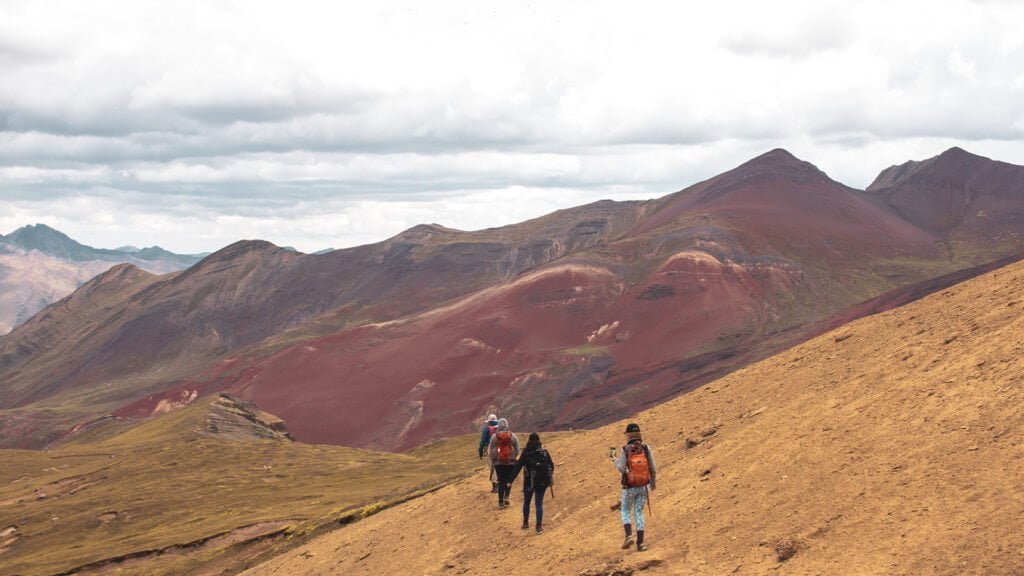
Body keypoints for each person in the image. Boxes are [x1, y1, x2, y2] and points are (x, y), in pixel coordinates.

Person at [613, 422, 656, 552]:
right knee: (639, 512)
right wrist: (653, 483)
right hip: (644, 486)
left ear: (628, 435)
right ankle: (641, 544)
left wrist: (614, 461)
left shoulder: (625, 449)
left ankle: (628, 535)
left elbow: (621, 468)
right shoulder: (645, 448)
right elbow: (653, 467)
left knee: (625, 510)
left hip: (629, 486)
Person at [511, 432, 555, 533]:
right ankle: (538, 526)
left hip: (528, 482)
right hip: (542, 482)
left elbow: (518, 466)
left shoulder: (526, 452)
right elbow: (551, 466)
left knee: (527, 502)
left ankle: (525, 523)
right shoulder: (544, 452)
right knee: (538, 504)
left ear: (529, 441)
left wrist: (510, 481)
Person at [487, 418, 520, 509]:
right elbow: (517, 449)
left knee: (501, 481)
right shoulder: (512, 436)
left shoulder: (494, 436)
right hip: (510, 463)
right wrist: (513, 457)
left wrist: (495, 458)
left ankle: (500, 502)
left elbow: (490, 450)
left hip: (499, 463)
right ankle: (506, 497)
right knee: (509, 480)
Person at [478, 413, 500, 493]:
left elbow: (483, 441)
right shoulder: (501, 427)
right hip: (501, 449)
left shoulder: (486, 429)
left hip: (490, 449)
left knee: (492, 466)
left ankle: (495, 486)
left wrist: (480, 451)